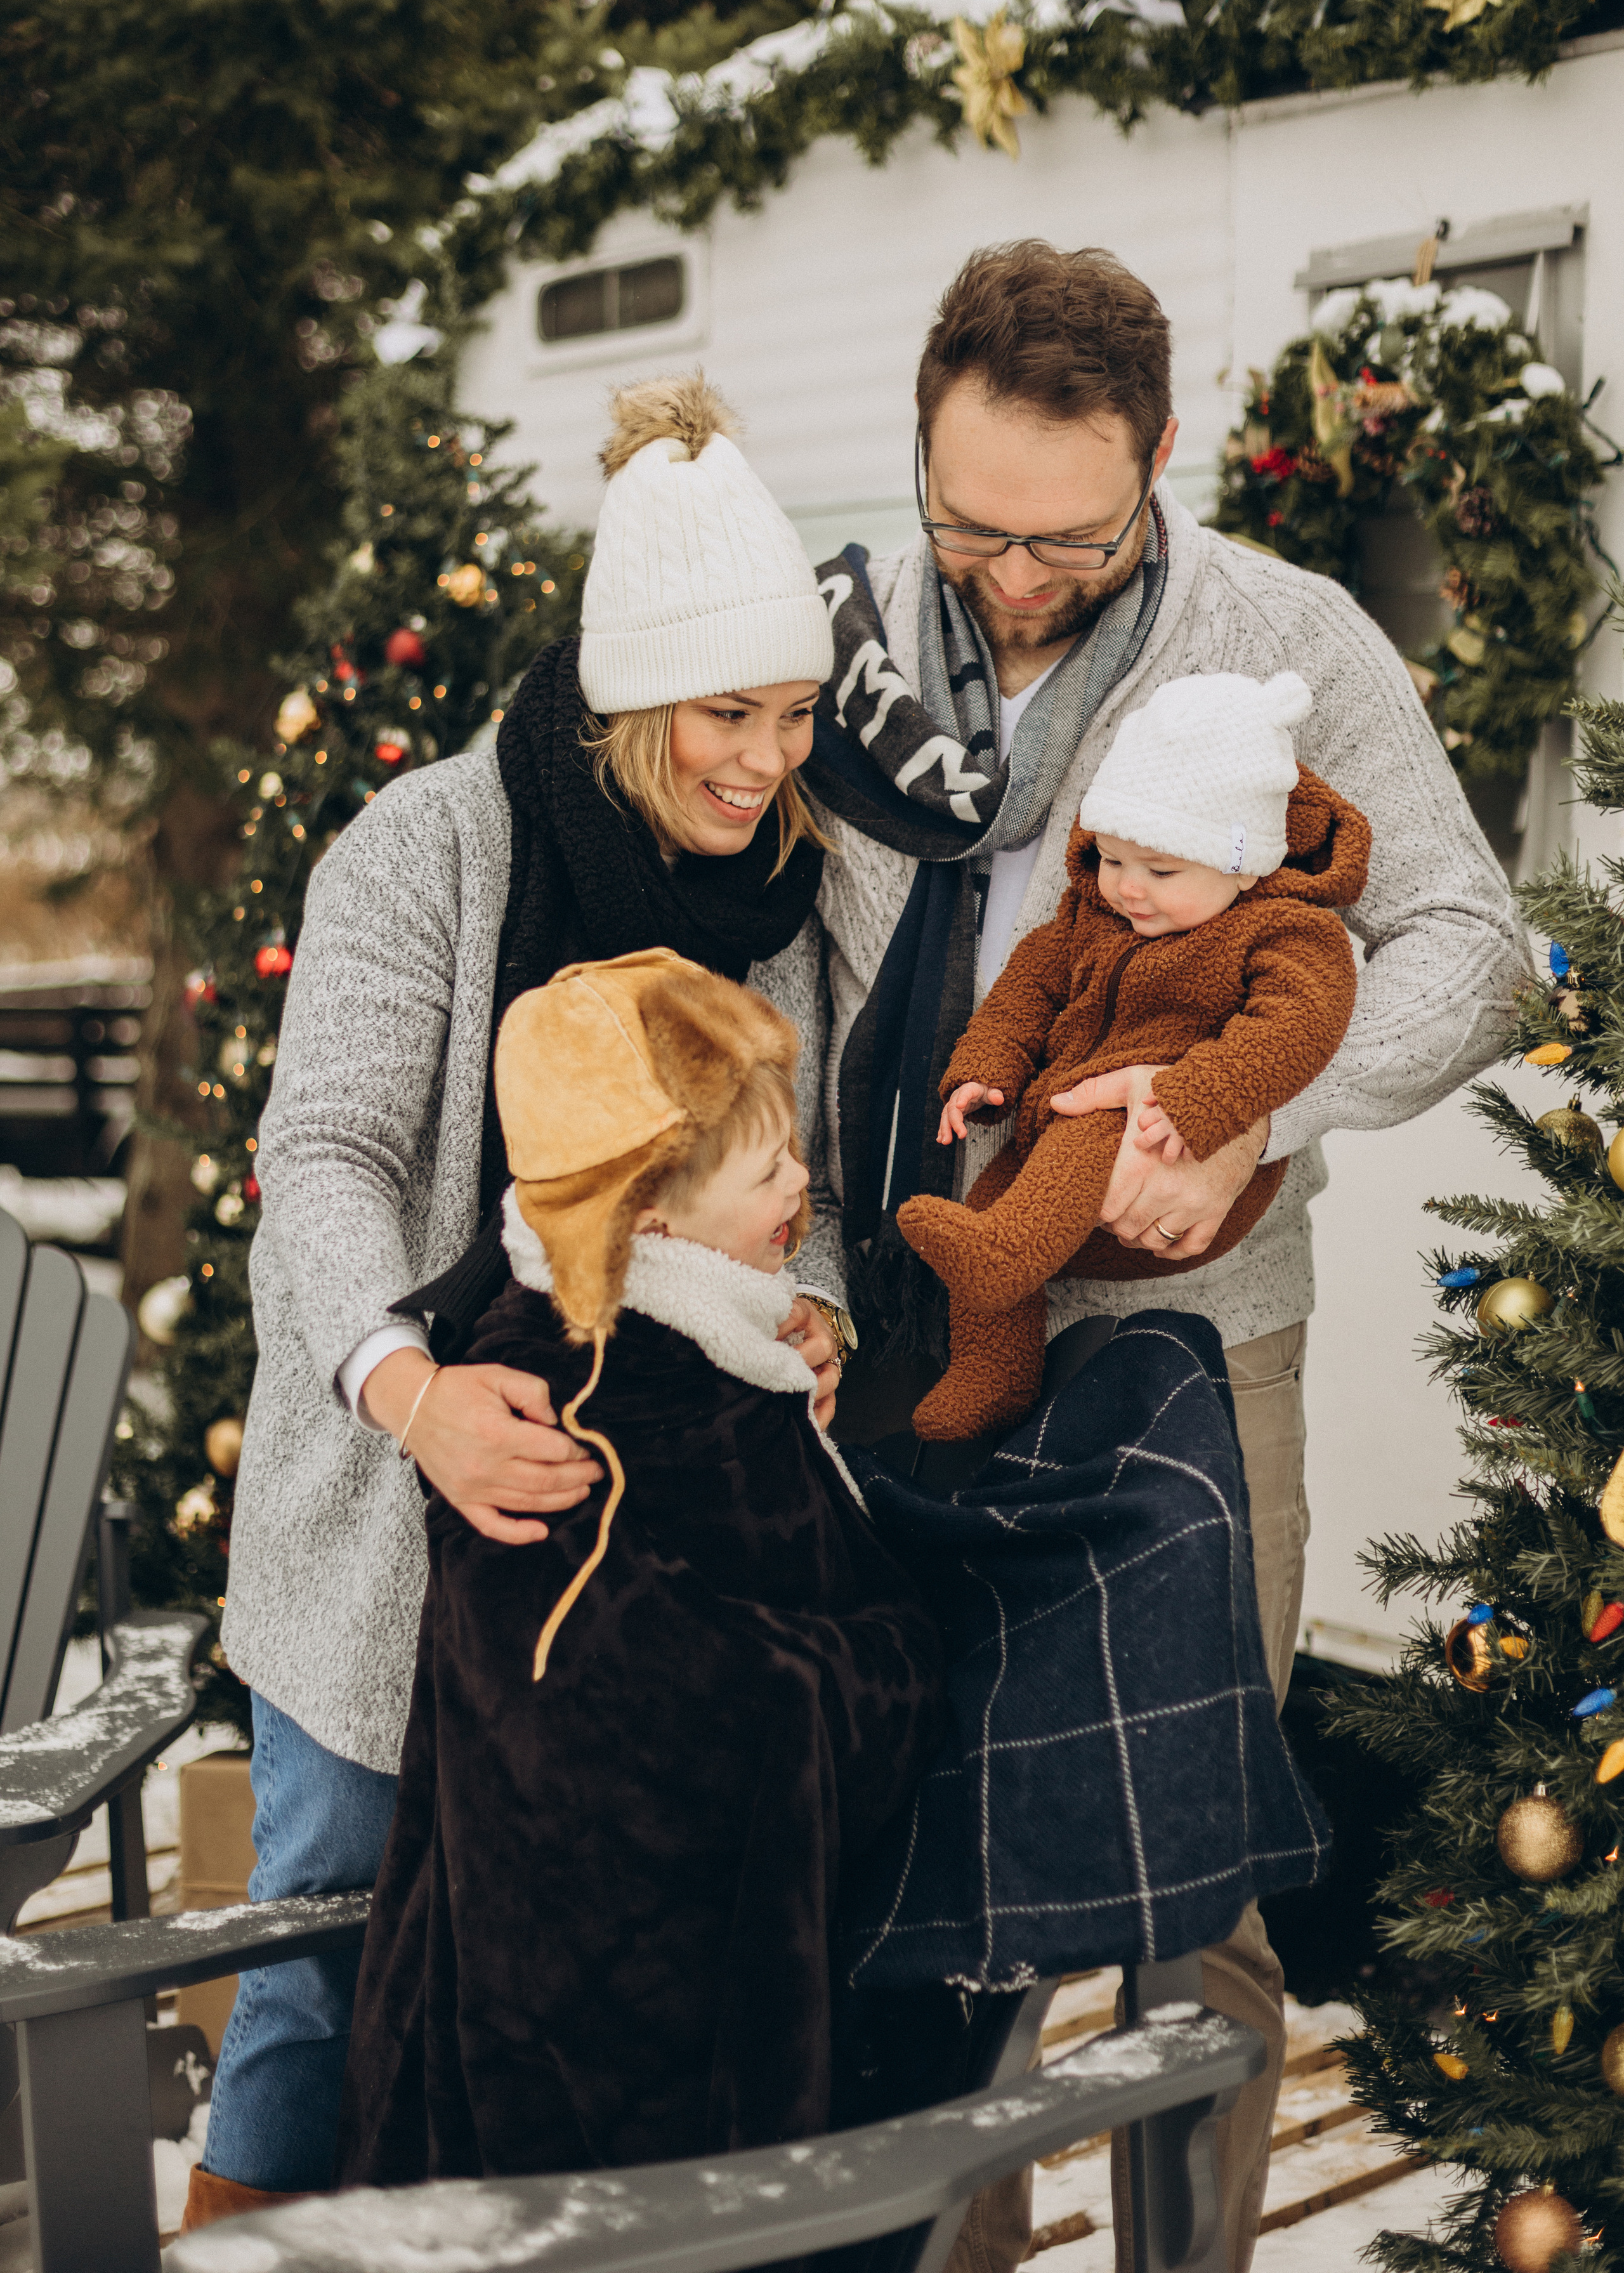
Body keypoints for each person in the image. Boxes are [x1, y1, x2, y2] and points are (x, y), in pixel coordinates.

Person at [795, 242, 1524, 2273]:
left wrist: (1252, 1116)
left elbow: (1465, 941)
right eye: (971, 525)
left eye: (1065, 533)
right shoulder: (847, 654)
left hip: (1194, 1347)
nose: (1011, 575)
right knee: (927, 1851)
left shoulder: (1280, 638)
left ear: (1163, 460)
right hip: (902, 1320)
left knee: (1177, 1874)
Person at [183, 374, 849, 2234]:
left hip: (652, 1556)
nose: (762, 759)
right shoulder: (428, 849)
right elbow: (314, 1159)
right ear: (631, 698)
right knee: (318, 1968)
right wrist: (408, 1391)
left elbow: (811, 1178)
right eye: (728, 712)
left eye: (793, 714)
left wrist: (805, 1309)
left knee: (598, 1983)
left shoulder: (797, 889)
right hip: (393, 1529)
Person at [336, 949, 945, 2185]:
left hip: (677, 1970)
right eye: (763, 1160)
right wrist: (895, 1658)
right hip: (606, 2044)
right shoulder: (587, 1399)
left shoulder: (697, 1340)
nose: (800, 1183)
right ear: (648, 1209)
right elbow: (646, 1697)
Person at [899, 671, 1371, 1439]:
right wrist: (987, 1067)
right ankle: (993, 1374)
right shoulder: (1094, 914)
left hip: (1169, 1134)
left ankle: (1002, 1252)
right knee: (993, 1196)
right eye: (1112, 859)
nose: (1128, 889)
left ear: (1244, 865)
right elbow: (1031, 984)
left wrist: (1200, 1098)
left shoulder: (1283, 932)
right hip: (1061, 1137)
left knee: (1087, 1135)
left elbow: (1301, 1022)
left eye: (1161, 872)